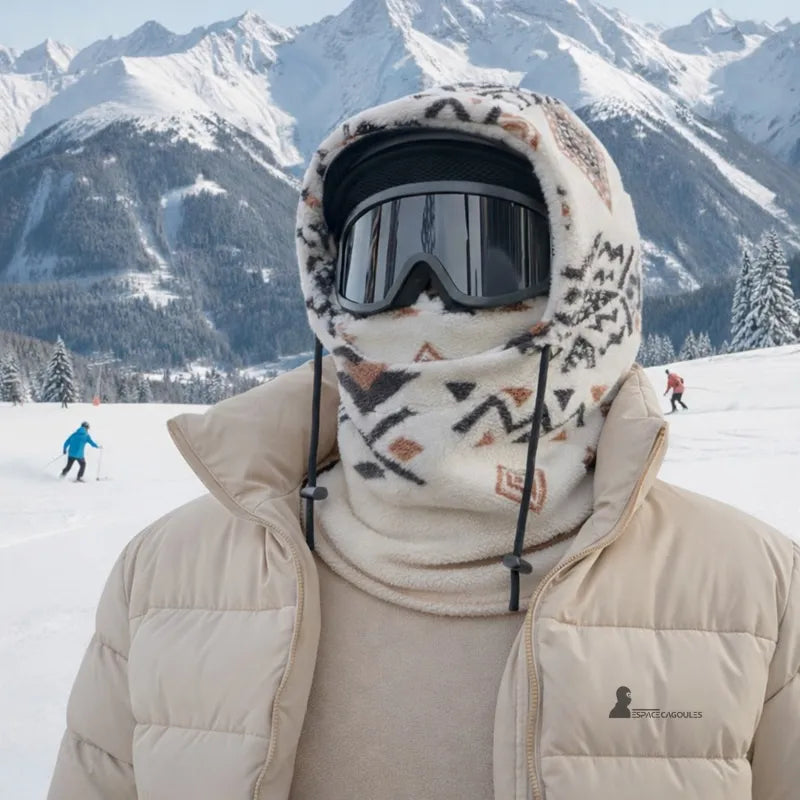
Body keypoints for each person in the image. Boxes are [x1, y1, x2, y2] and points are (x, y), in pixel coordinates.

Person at [48, 86, 799, 800]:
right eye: (380, 260)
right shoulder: (167, 579)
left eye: (490, 252)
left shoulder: (752, 594)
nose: (424, 297)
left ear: (586, 288)